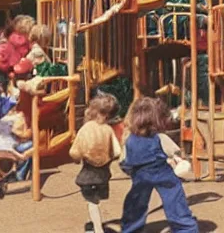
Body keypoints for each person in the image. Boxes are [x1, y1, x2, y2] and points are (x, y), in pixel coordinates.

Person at [120, 97, 199, 233]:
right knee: (174, 198)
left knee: (136, 201)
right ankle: (185, 228)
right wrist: (176, 161)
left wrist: (130, 171)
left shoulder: (130, 140)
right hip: (162, 173)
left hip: (140, 175)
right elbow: (174, 152)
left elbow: (124, 161)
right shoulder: (160, 138)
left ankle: (130, 229)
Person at [70, 93, 122, 233]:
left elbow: (74, 153)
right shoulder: (108, 130)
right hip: (103, 173)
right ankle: (96, 224)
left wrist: (79, 159)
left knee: (91, 202)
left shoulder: (85, 129)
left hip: (88, 173)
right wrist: (108, 158)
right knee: (95, 200)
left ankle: (98, 228)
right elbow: (117, 152)